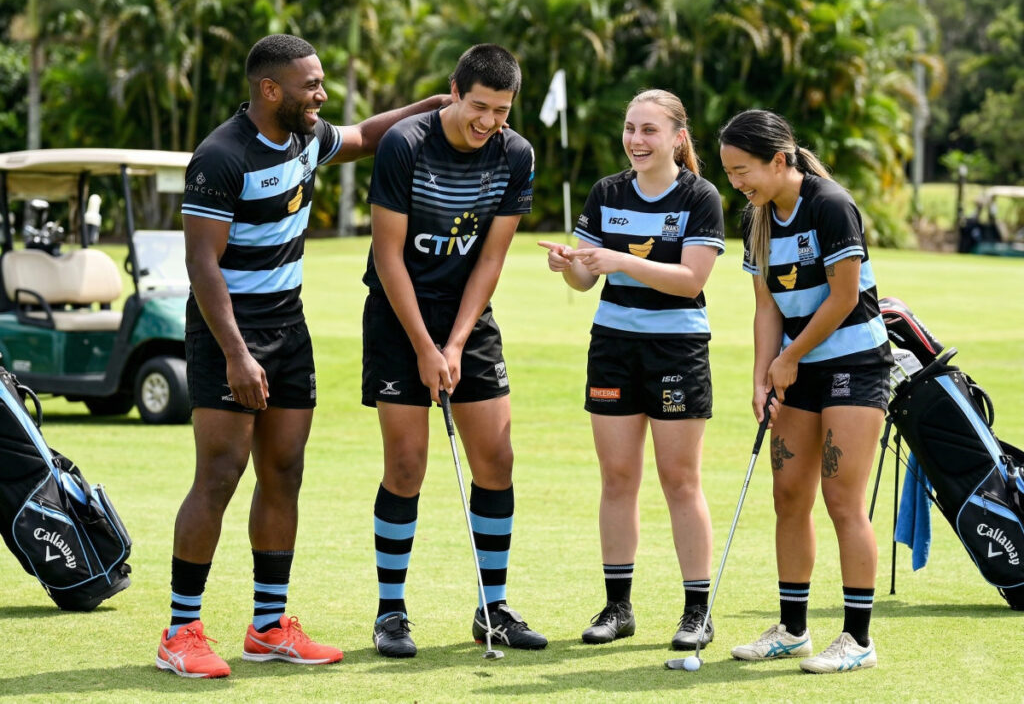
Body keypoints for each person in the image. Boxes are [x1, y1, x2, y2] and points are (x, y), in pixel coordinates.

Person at [156, 34, 448, 679]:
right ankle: (180, 631)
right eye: (310, 85)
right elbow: (201, 264)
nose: (321, 95)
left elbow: (368, 136)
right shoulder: (220, 156)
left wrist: (434, 105)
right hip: (227, 331)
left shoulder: (305, 139)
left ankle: (267, 626)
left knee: (284, 470)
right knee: (222, 472)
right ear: (270, 89)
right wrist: (236, 354)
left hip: (290, 328)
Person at [361, 43, 547, 658]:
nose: (489, 122)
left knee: (495, 459)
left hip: (467, 312)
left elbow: (492, 257)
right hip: (398, 314)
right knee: (407, 464)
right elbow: (389, 253)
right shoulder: (405, 145)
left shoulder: (515, 153)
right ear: (454, 90)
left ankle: (492, 610)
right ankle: (391, 612)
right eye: (478, 106)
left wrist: (457, 341)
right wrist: (423, 344)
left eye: (501, 110)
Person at [540, 89, 725, 650]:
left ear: (677, 137)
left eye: (649, 130)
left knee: (680, 480)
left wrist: (621, 259)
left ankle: (698, 612)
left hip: (676, 350)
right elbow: (585, 280)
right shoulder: (606, 192)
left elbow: (691, 280)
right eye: (629, 129)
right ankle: (618, 608)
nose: (636, 140)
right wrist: (568, 266)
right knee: (618, 479)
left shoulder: (700, 196)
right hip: (614, 347)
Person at [719, 109, 892, 674]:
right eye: (729, 173)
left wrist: (788, 358)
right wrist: (761, 374)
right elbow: (766, 305)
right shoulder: (759, 218)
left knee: (842, 500)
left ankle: (858, 640)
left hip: (854, 363)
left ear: (779, 159)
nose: (737, 183)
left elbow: (843, 298)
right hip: (797, 370)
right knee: (789, 495)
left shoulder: (830, 205)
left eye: (744, 170)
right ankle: (793, 630)